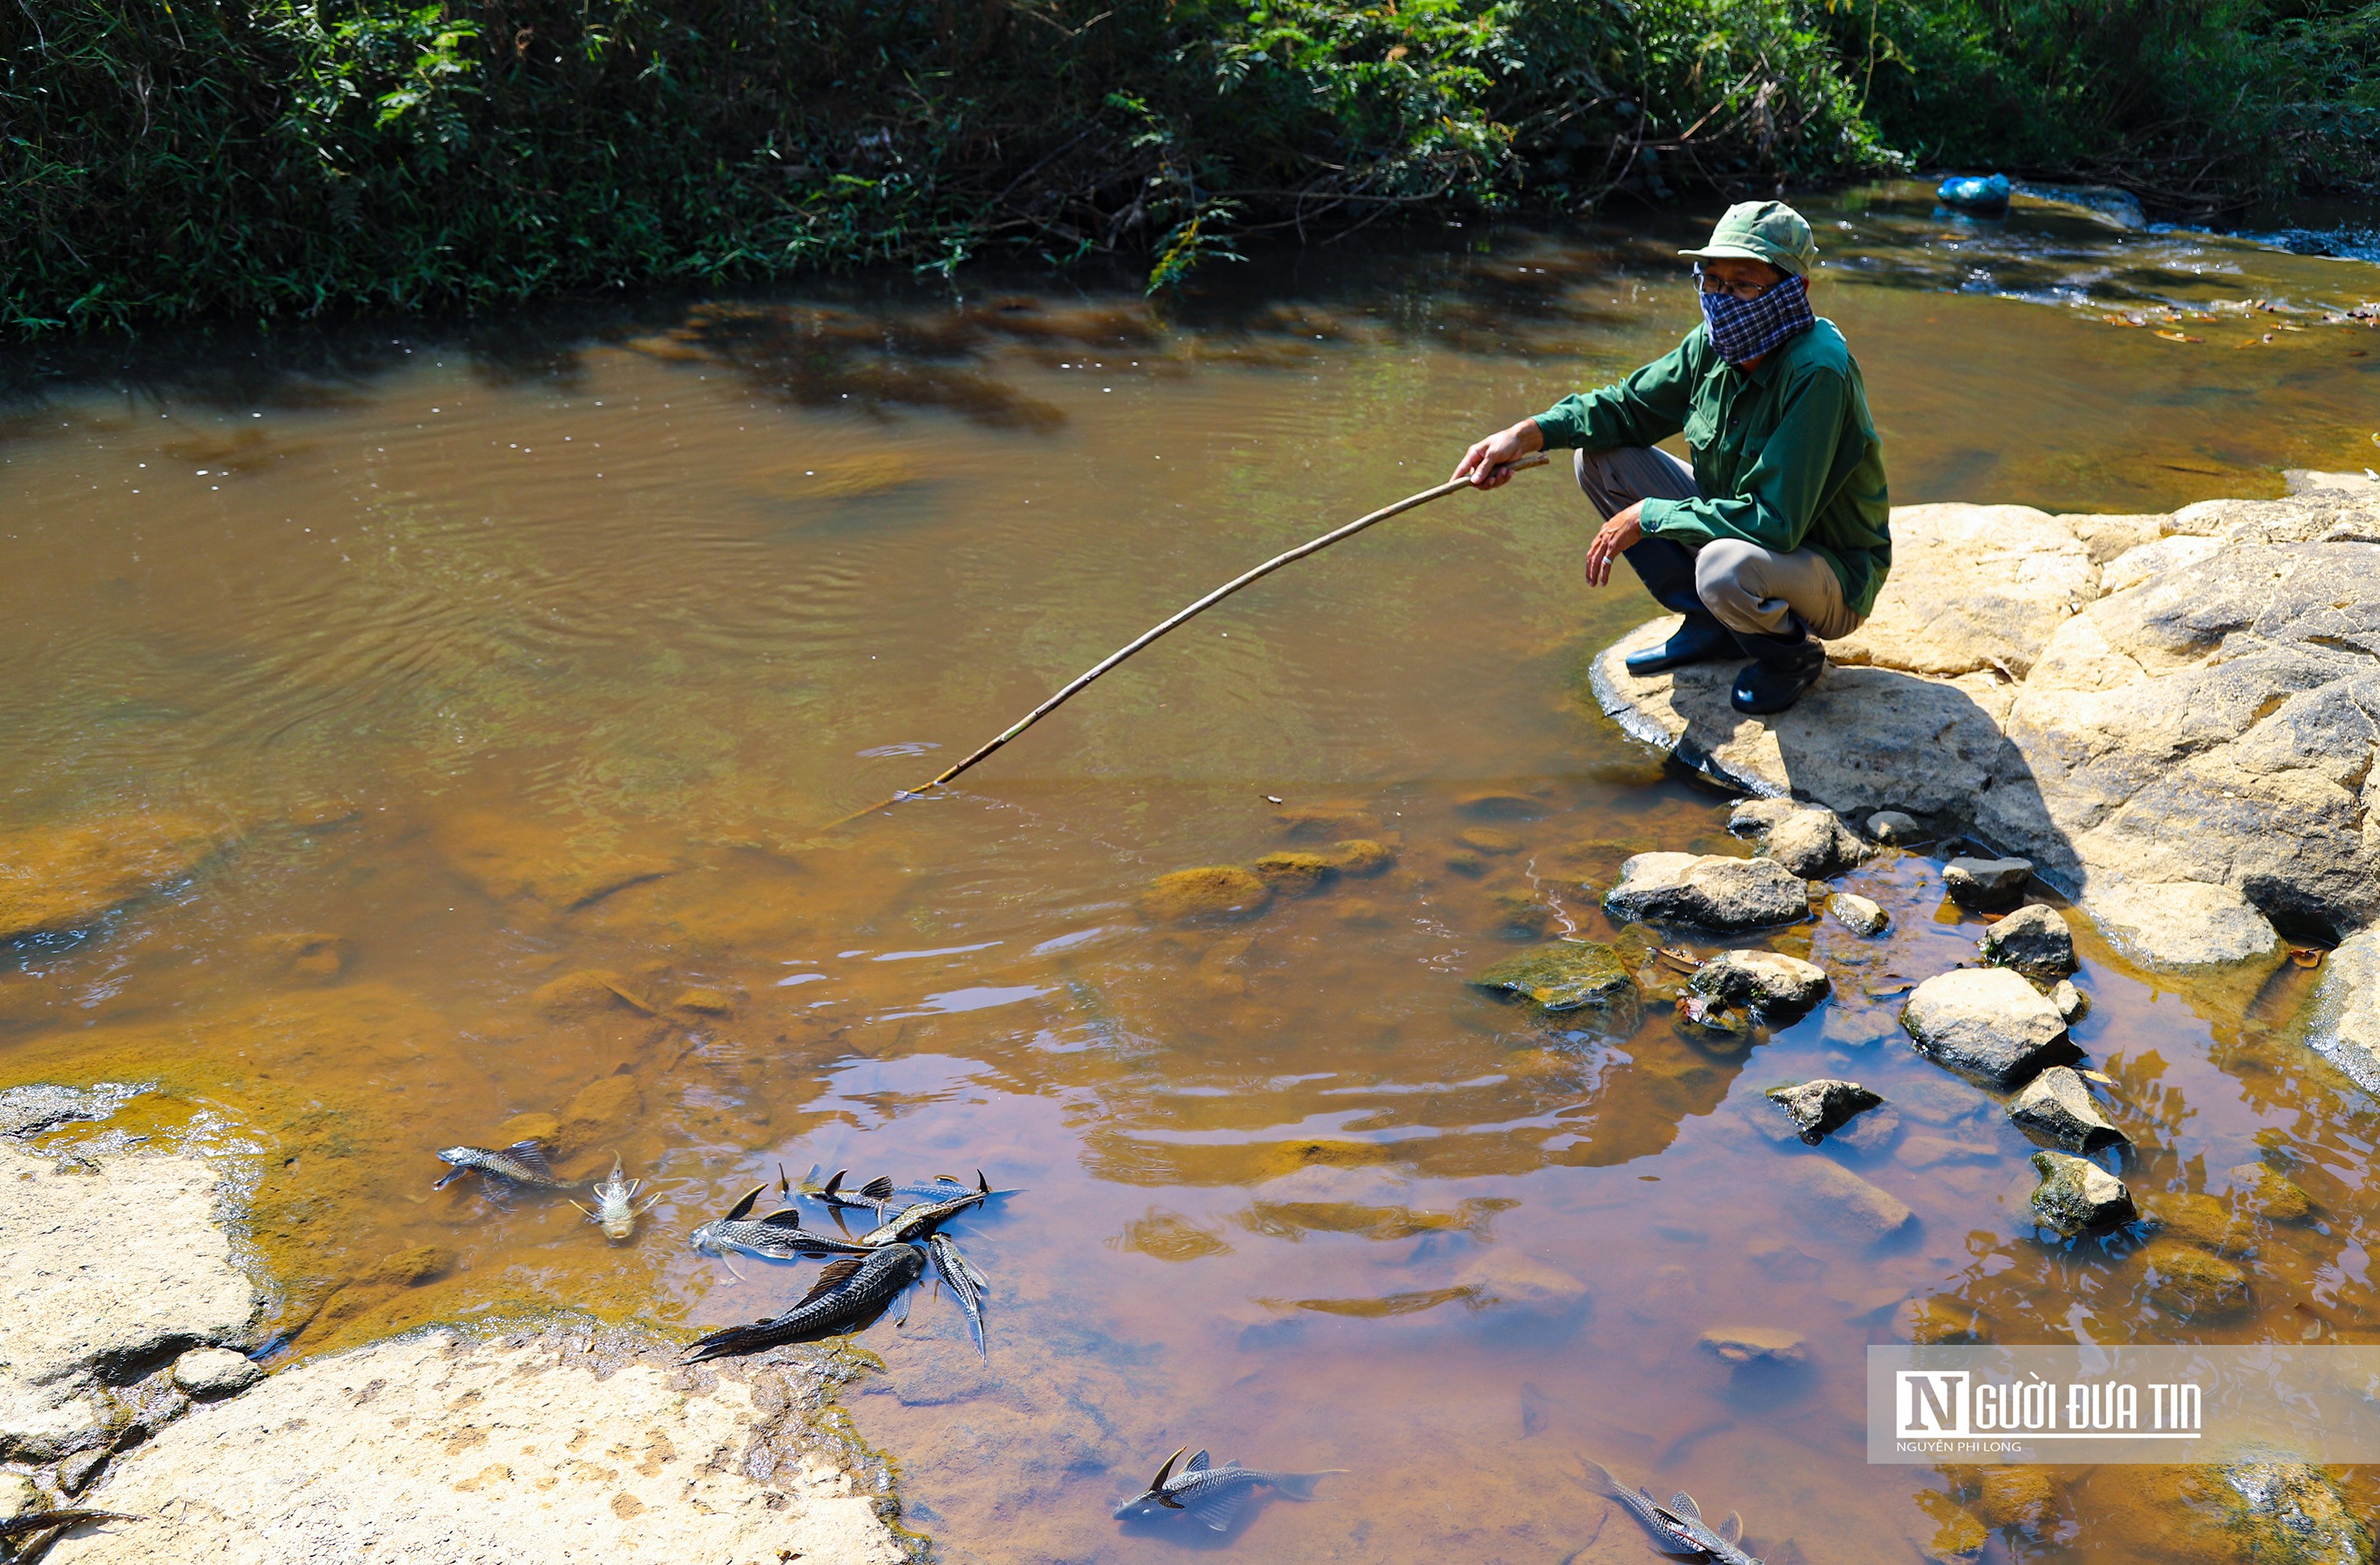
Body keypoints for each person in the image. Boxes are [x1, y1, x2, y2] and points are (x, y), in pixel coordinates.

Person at [1452, 201, 1889, 715]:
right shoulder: (1713, 344)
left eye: (1744, 283)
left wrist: (1651, 515)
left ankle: (1787, 658)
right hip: (1751, 536)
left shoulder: (1818, 371)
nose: (1724, 298)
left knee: (1724, 569)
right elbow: (1628, 408)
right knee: (1600, 460)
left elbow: (1775, 523)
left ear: (1796, 289)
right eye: (1712, 280)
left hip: (1825, 570)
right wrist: (1526, 434)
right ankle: (1714, 625)